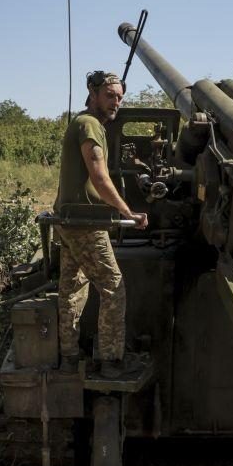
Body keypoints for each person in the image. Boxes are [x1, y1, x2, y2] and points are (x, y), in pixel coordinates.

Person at [53, 70, 148, 378]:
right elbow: (99, 176)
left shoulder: (83, 122)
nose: (116, 102)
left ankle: (68, 358)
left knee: (72, 288)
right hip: (85, 223)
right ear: (92, 94)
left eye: (119, 97)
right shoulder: (90, 125)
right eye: (109, 95)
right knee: (113, 288)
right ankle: (110, 363)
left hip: (69, 220)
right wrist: (128, 212)